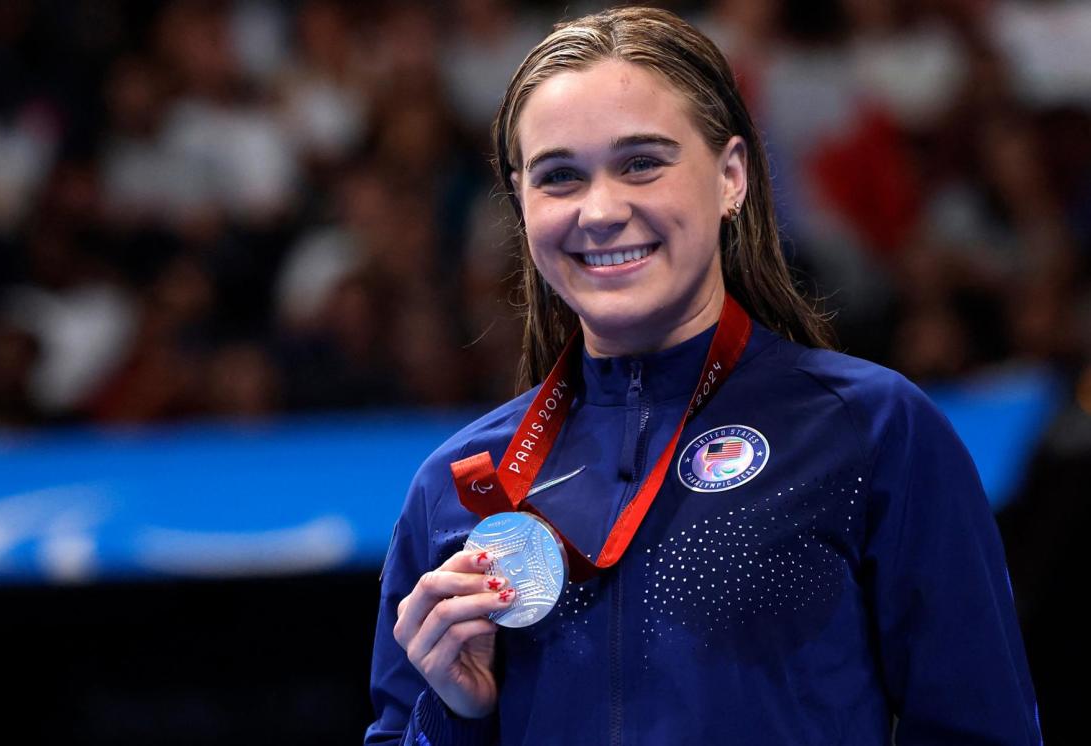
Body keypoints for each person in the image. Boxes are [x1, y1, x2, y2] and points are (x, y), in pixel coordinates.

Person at [365, 7, 1041, 745]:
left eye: (641, 163)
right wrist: (457, 715)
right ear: (521, 204)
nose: (600, 210)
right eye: (559, 176)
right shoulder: (460, 486)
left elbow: (982, 729)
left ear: (731, 177)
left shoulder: (874, 432)